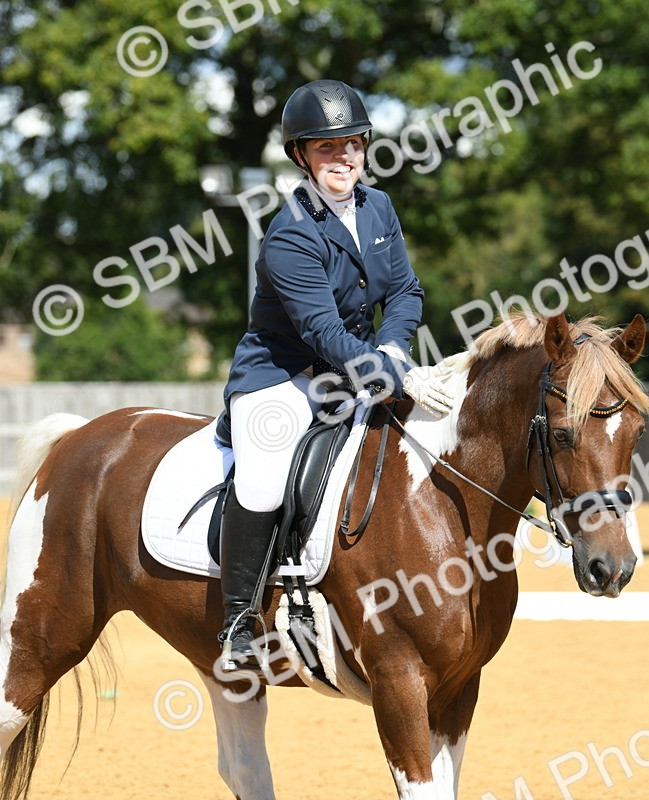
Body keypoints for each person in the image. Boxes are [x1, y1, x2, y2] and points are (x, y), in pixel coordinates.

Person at [217, 79, 456, 673]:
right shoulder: (291, 232)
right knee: (267, 475)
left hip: (355, 370)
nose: (342, 157)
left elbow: (405, 290)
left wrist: (395, 349)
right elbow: (321, 332)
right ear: (301, 156)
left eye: (352, 144)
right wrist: (392, 375)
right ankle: (239, 620)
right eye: (326, 148)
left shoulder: (379, 208)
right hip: (279, 376)